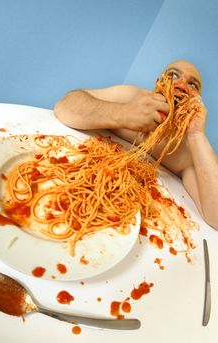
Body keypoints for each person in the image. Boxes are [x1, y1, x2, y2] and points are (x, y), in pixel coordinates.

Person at [54, 60, 218, 231]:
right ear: (158, 82)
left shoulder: (185, 147)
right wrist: (123, 113)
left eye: (193, 84)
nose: (182, 85)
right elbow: (64, 106)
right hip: (73, 179)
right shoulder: (130, 97)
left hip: (130, 222)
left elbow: (216, 217)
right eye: (173, 75)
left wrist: (197, 134)